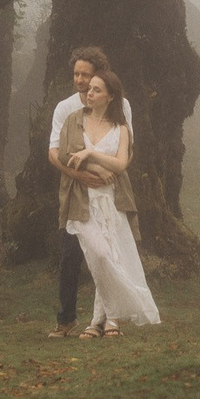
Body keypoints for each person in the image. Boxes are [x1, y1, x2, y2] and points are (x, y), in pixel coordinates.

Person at [55, 69, 159, 336]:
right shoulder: (73, 121)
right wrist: (89, 168)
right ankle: (118, 311)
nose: (89, 93)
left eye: (96, 90)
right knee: (99, 255)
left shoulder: (121, 128)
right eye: (89, 89)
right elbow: (65, 155)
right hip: (82, 202)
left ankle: (102, 321)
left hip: (111, 201)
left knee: (110, 256)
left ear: (110, 97)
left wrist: (91, 153)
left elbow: (121, 163)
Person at [49, 48, 133, 336]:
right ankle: (66, 318)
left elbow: (125, 146)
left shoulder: (120, 106)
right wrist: (80, 175)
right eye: (77, 74)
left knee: (106, 251)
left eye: (87, 74)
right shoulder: (66, 109)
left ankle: (108, 319)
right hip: (77, 192)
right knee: (71, 254)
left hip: (110, 191)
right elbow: (53, 153)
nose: (81, 80)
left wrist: (113, 172)